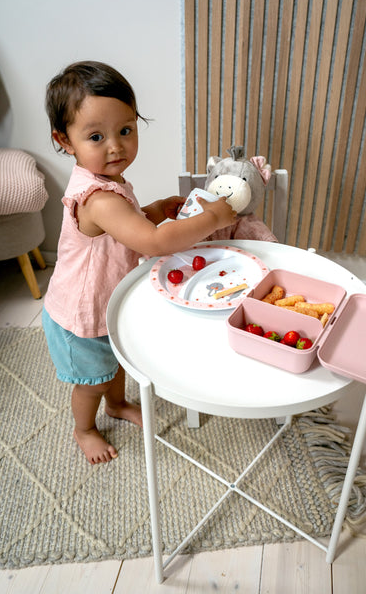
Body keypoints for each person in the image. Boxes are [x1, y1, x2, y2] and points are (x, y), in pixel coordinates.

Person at [42, 61, 236, 465]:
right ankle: (85, 427)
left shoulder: (110, 183)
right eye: (96, 136)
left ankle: (117, 405)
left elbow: (129, 224)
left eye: (125, 131)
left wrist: (154, 207)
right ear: (65, 141)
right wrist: (214, 218)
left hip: (106, 302)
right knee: (91, 380)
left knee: (116, 362)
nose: (116, 146)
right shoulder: (97, 198)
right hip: (79, 316)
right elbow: (152, 242)